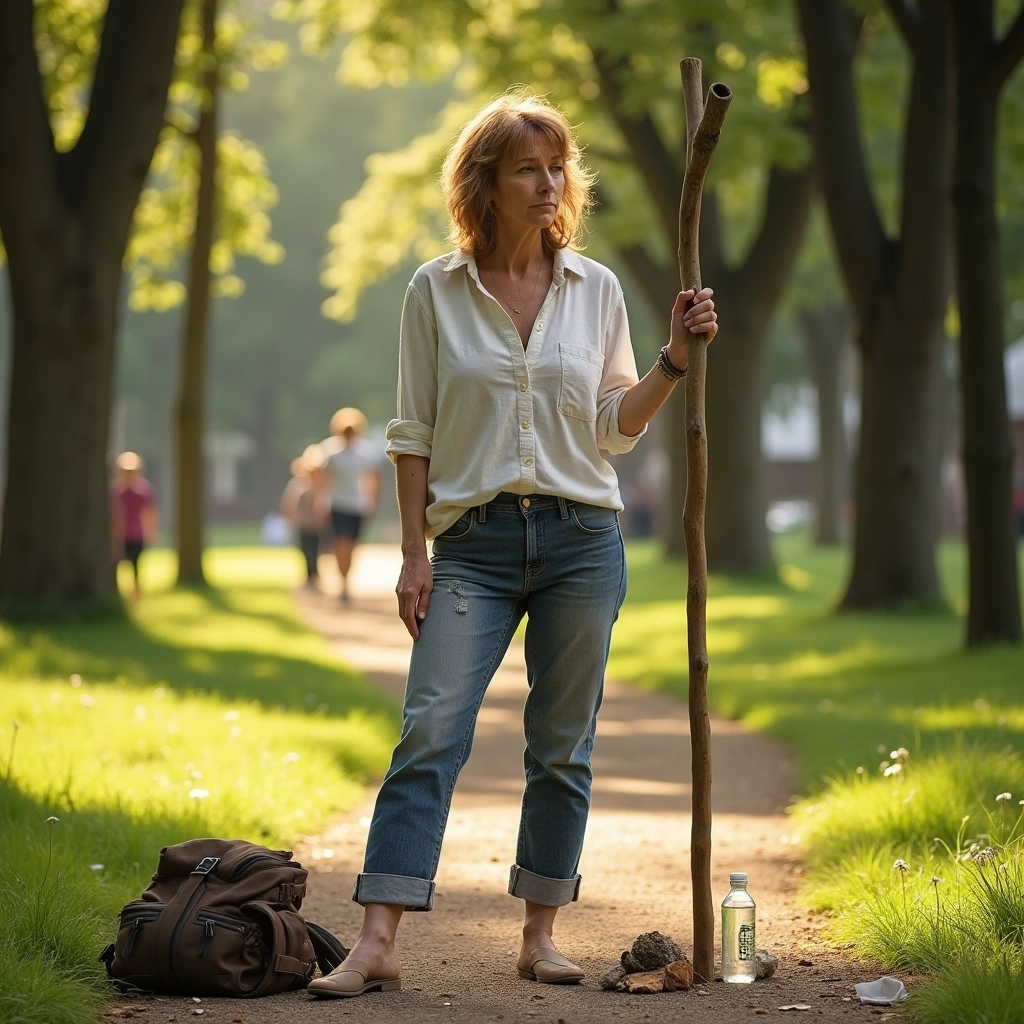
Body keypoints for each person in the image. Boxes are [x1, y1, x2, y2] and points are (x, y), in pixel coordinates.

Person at [307, 90, 717, 1000]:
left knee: (561, 745)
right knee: (430, 731)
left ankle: (539, 934)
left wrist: (674, 361)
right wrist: (414, 554)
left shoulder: (596, 288)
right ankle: (377, 940)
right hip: (473, 548)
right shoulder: (435, 290)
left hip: (580, 540)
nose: (548, 182)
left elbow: (613, 429)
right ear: (484, 183)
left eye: (556, 166)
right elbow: (411, 432)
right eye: (527, 167)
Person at [321, 407, 380, 602]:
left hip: (357, 505)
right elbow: (324, 481)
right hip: (338, 504)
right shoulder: (331, 453)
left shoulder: (365, 452)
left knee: (352, 545)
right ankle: (343, 582)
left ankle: (347, 579)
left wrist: (371, 500)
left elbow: (371, 479)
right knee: (341, 544)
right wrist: (320, 503)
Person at [280, 445, 329, 589]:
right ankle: (309, 575)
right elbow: (288, 504)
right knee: (305, 550)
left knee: (316, 550)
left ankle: (314, 574)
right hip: (302, 524)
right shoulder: (296, 484)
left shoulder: (320, 486)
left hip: (315, 525)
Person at [110, 452, 158, 601]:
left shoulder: (143, 490)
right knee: (115, 565)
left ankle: (136, 595)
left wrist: (151, 532)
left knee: (136, 567)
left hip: (137, 534)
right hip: (119, 536)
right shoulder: (115, 491)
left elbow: (149, 512)